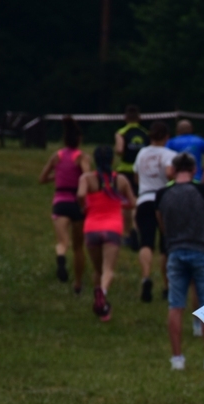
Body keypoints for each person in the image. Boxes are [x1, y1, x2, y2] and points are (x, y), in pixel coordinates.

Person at [155, 152, 204, 371]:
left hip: (176, 251)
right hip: (202, 250)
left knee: (175, 305)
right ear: (194, 170)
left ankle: (177, 358)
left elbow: (163, 226)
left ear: (174, 170)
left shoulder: (162, 193)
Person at [77, 146, 136, 321]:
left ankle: (102, 307)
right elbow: (132, 202)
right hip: (112, 228)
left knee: (97, 269)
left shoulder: (87, 179)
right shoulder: (121, 180)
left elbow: (80, 194)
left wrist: (84, 205)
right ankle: (102, 294)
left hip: (91, 228)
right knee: (108, 269)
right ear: (112, 161)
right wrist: (119, 204)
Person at [38, 115, 91, 293]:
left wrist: (57, 176)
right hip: (77, 203)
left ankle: (60, 257)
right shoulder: (82, 157)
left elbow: (42, 178)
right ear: (80, 139)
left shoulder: (57, 156)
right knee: (78, 247)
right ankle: (77, 284)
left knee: (62, 242)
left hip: (60, 202)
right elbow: (87, 178)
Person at [132, 121, 177, 303]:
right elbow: (169, 173)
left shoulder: (141, 153)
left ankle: (146, 277)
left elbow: (135, 176)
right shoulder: (169, 154)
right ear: (167, 137)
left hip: (144, 199)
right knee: (165, 245)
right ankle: (167, 287)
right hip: (163, 199)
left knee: (146, 242)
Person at [114, 105, 150, 248]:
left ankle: (127, 234)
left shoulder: (121, 132)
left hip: (125, 169)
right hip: (141, 170)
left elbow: (119, 149)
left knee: (125, 203)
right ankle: (137, 228)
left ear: (125, 118)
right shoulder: (145, 133)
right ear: (139, 118)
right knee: (137, 200)